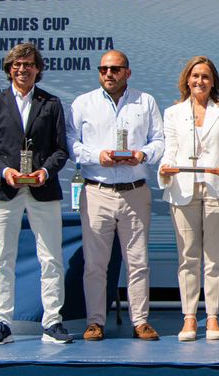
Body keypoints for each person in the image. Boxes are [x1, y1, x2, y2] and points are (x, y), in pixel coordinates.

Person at [0, 42, 72, 345]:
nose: (22, 69)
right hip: (5, 191)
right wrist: (5, 172)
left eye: (28, 64)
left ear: (37, 69)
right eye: (17, 64)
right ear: (9, 69)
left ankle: (52, 322)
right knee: (2, 258)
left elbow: (60, 150)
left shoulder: (51, 103)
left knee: (51, 258)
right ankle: (2, 323)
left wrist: (44, 172)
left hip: (43, 190)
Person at [67, 50, 165, 341]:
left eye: (115, 69)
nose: (109, 74)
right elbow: (71, 142)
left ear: (128, 72)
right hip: (96, 191)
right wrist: (98, 156)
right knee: (95, 263)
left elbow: (159, 141)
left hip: (135, 192)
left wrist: (142, 154)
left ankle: (141, 321)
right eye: (103, 69)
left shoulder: (144, 101)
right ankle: (95, 322)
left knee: (138, 261)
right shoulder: (83, 103)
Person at [159, 56, 219, 342]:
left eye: (205, 76)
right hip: (183, 190)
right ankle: (189, 317)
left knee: (215, 258)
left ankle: (213, 317)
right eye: (195, 76)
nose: (200, 81)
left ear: (213, 80)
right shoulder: (173, 113)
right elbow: (170, 150)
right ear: (187, 79)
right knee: (188, 257)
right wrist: (165, 167)